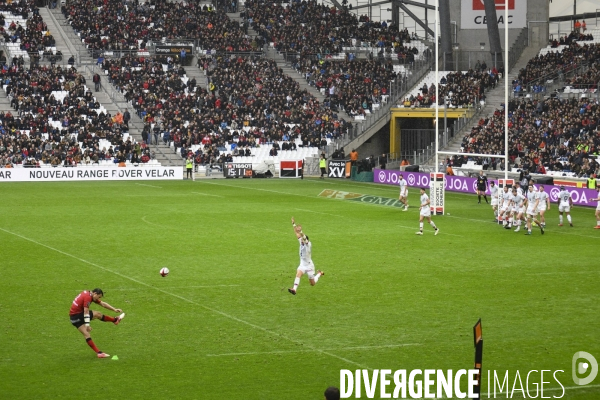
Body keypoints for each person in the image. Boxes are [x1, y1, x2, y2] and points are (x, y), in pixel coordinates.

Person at [69, 288, 125, 358]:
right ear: (95, 293)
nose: (98, 298)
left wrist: (114, 309)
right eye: (99, 297)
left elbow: (103, 304)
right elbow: (86, 312)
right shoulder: (88, 297)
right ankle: (115, 320)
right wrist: (87, 325)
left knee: (86, 334)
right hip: (78, 315)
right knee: (97, 314)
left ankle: (99, 353)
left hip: (73, 319)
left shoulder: (89, 294)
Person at [288, 217, 324, 295]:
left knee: (312, 283)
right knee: (298, 274)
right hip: (302, 264)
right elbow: (296, 233)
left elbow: (302, 236)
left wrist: (301, 231)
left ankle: (319, 274)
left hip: (309, 266)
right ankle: (294, 289)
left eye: (302, 239)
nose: (301, 240)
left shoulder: (308, 244)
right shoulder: (301, 242)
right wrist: (293, 223)